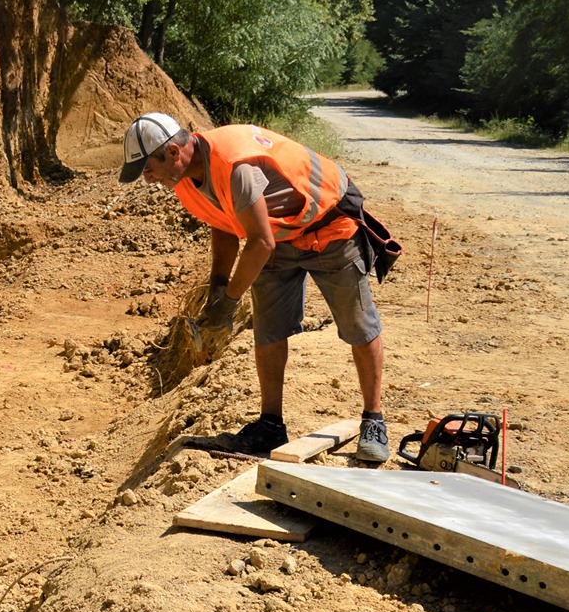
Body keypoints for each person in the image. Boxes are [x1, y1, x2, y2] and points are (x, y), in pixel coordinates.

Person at [120, 112, 390, 462]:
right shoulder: (184, 177)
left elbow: (260, 243)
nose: (148, 179)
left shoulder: (235, 166)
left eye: (148, 169)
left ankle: (374, 419)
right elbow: (224, 223)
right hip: (277, 232)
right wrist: (218, 285)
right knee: (268, 330)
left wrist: (230, 301)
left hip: (328, 226)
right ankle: (270, 426)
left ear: (173, 152)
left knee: (358, 325)